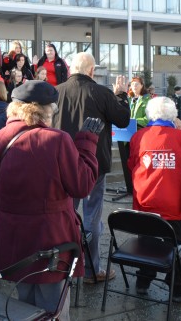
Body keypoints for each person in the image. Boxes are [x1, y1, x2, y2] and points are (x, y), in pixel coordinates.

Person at [0, 80, 103, 316]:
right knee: (53, 309)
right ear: (47, 110)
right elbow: (83, 185)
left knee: (23, 306)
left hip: (14, 239)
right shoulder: (56, 140)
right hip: (51, 240)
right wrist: (87, 144)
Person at [53, 52, 129, 284]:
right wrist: (122, 94)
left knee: (63, 214)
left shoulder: (56, 92)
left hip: (63, 163)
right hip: (93, 164)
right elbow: (123, 119)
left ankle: (62, 265)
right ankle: (91, 270)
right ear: (92, 71)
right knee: (92, 217)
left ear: (70, 70)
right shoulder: (101, 92)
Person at [127, 96, 181, 302]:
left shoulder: (139, 136)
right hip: (174, 203)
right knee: (178, 242)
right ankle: (176, 286)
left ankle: (143, 281)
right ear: (173, 115)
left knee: (146, 242)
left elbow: (131, 165)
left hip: (146, 201)